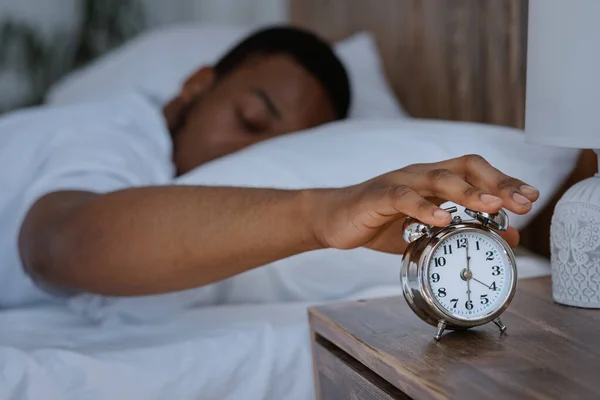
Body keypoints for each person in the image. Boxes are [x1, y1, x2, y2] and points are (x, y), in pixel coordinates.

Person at [0, 26, 537, 308]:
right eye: (251, 120)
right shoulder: (108, 134)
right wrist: (324, 215)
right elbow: (61, 248)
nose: (243, 159)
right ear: (196, 85)